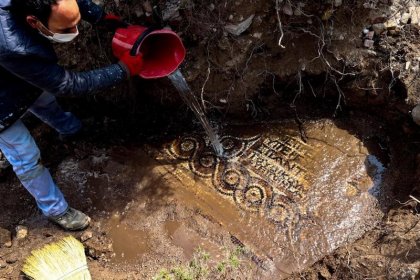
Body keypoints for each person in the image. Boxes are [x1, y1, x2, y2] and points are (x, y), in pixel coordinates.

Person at [0, 0, 143, 230]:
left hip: (14, 72)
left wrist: (101, 18)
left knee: (44, 100)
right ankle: (56, 210)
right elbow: (70, 85)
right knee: (25, 154)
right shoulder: (11, 46)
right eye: (66, 30)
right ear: (33, 22)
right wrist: (123, 69)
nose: (74, 33)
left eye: (75, 25)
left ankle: (71, 129)